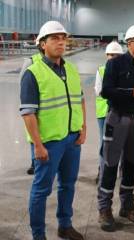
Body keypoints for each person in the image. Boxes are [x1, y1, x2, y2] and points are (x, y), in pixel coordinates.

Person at [20, 20, 86, 240]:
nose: (61, 42)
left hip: (72, 139)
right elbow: (28, 113)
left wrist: (82, 128)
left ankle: (64, 225)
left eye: (63, 38)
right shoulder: (33, 72)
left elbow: (80, 100)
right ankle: (38, 235)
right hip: (48, 143)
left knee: (68, 184)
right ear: (42, 44)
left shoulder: (71, 69)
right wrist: (38, 145)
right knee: (41, 191)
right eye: (54, 38)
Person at [97, 24, 134, 232]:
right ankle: (104, 208)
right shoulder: (115, 64)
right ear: (130, 43)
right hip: (117, 119)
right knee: (110, 163)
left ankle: (127, 205)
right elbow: (106, 92)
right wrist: (133, 93)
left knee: (132, 164)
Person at [94, 41, 124, 184]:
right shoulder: (100, 70)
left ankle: (121, 173)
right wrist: (118, 92)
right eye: (111, 55)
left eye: (116, 55)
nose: (113, 57)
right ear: (106, 55)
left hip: (120, 112)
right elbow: (99, 91)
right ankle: (102, 172)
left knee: (121, 143)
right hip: (103, 113)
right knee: (103, 144)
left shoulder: (125, 70)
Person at [20, 40, 43, 175]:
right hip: (33, 103)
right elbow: (23, 81)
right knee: (33, 133)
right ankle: (34, 162)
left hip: (48, 105)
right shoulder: (31, 61)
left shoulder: (58, 61)